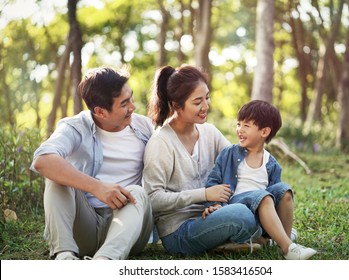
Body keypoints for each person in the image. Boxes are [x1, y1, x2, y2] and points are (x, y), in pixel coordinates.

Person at [30, 66, 154, 260]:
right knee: (56, 178)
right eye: (124, 104)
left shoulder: (144, 127)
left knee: (137, 192)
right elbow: (42, 160)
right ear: (100, 112)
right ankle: (64, 257)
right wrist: (97, 187)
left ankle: (104, 262)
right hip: (85, 227)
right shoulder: (75, 127)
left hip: (128, 230)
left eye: (131, 97)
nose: (133, 107)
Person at [143, 65, 265, 256]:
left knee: (274, 192)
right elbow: (153, 200)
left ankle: (238, 238)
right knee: (241, 215)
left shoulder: (209, 132)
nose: (206, 106)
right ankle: (262, 233)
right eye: (197, 101)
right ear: (176, 105)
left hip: (213, 214)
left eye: (206, 97)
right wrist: (205, 194)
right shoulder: (161, 143)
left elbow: (238, 163)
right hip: (180, 231)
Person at [203, 100, 317, 260]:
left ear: (264, 132)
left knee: (284, 191)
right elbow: (214, 181)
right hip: (236, 207)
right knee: (263, 197)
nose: (239, 130)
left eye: (246, 126)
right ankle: (288, 248)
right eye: (238, 124)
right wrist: (213, 205)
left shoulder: (271, 163)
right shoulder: (229, 153)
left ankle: (279, 238)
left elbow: (275, 195)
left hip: (260, 211)